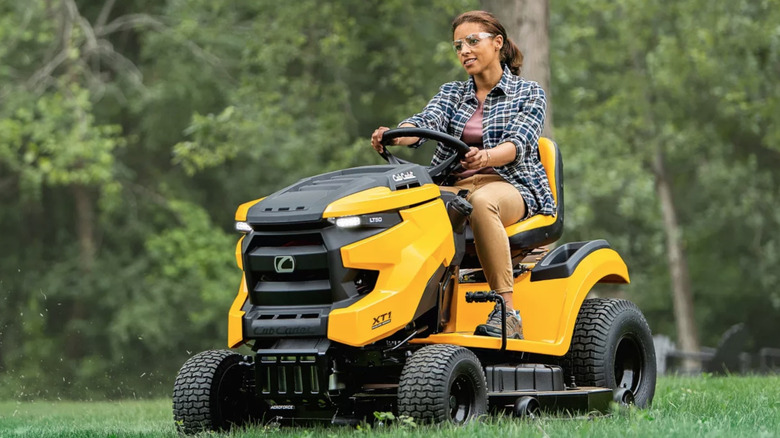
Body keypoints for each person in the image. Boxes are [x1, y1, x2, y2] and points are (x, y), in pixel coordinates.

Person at [370, 10, 555, 340]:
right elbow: (425, 123)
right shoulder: (452, 93)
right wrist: (396, 135)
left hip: (510, 185)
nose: (464, 51)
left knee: (481, 203)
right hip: (455, 187)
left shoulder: (529, 92)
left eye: (472, 41)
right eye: (458, 46)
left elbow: (519, 143)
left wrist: (486, 156)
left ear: (497, 43)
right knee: (400, 208)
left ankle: (507, 313)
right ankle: (398, 310)